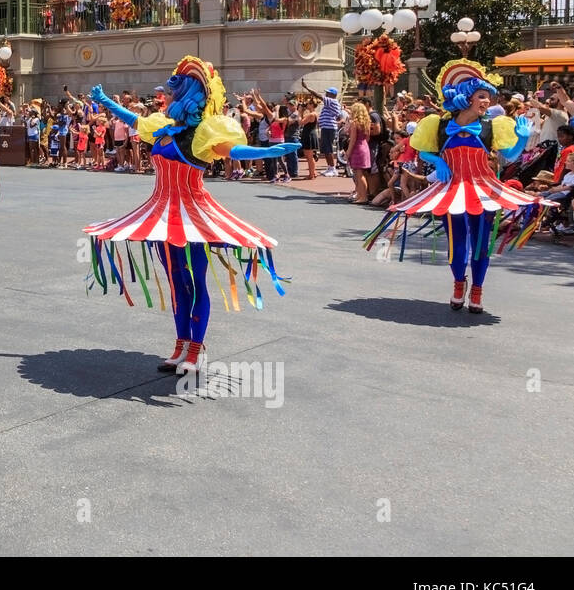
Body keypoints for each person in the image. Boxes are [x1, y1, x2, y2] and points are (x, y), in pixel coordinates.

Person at [86, 59, 299, 374]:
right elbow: (136, 121)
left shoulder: (204, 131)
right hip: (160, 213)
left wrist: (266, 152)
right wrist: (105, 102)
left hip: (192, 216)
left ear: (195, 90)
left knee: (194, 282)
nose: (172, 90)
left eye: (180, 84)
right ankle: (181, 345)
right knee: (175, 282)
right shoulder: (163, 127)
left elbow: (232, 151)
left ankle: (196, 350)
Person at [366, 60, 544, 314]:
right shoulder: (436, 124)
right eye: (482, 96)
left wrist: (523, 139)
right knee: (457, 242)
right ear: (466, 97)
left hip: (483, 189)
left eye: (489, 98)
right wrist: (437, 160)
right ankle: (459, 284)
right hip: (451, 190)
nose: (487, 102)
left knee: (481, 243)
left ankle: (478, 290)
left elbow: (512, 157)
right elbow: (424, 151)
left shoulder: (491, 126)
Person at [346, 102, 373, 203]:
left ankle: (363, 197)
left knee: (359, 173)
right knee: (360, 173)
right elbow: (368, 137)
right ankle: (361, 195)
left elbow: (352, 140)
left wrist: (348, 152)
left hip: (357, 148)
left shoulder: (354, 123)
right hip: (364, 146)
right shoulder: (366, 122)